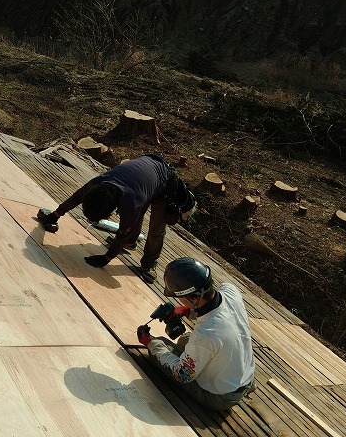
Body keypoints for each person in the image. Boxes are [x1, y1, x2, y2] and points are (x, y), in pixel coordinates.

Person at [37, 154, 196, 283]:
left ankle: (149, 264)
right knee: (136, 214)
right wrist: (54, 215)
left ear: (112, 208)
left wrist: (106, 258)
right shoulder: (98, 183)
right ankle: (130, 244)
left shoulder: (131, 201)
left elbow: (123, 231)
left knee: (156, 229)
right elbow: (77, 197)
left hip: (165, 184)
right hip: (144, 178)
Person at [136, 257, 256, 410]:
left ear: (193, 297)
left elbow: (182, 374)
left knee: (160, 344)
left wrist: (150, 343)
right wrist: (188, 311)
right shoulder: (231, 291)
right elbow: (214, 305)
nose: (178, 301)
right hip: (244, 374)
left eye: (178, 297)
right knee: (186, 339)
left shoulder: (206, 334)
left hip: (221, 396)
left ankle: (155, 344)